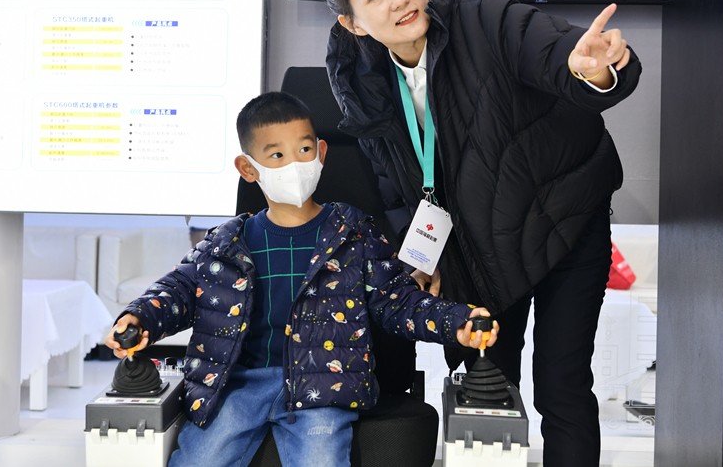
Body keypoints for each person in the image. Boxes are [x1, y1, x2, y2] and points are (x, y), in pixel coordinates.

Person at [318, 0, 642, 466]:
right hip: (480, 248)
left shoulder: (486, 18)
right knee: (488, 388)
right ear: (352, 23)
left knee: (561, 384)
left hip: (564, 223)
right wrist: (420, 257)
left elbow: (561, 56)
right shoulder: (362, 79)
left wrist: (594, 70)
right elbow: (393, 181)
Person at [104, 91, 499, 467]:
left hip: (321, 386)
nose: (294, 164)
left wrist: (457, 320)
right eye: (277, 155)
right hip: (238, 385)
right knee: (199, 460)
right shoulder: (225, 244)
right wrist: (139, 317)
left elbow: (399, 300)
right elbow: (177, 291)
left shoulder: (353, 235)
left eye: (304, 150)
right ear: (248, 168)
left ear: (321, 153)